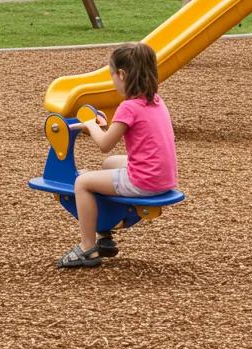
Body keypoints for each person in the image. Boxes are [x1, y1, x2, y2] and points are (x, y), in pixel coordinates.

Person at [57, 43, 178, 269]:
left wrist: (91, 125)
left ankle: (87, 248)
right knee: (109, 165)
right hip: (164, 177)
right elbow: (122, 136)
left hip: (144, 180)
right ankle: (105, 229)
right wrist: (103, 125)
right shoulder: (156, 101)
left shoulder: (128, 107)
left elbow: (104, 144)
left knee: (82, 182)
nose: (113, 81)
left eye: (112, 75)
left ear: (122, 74)